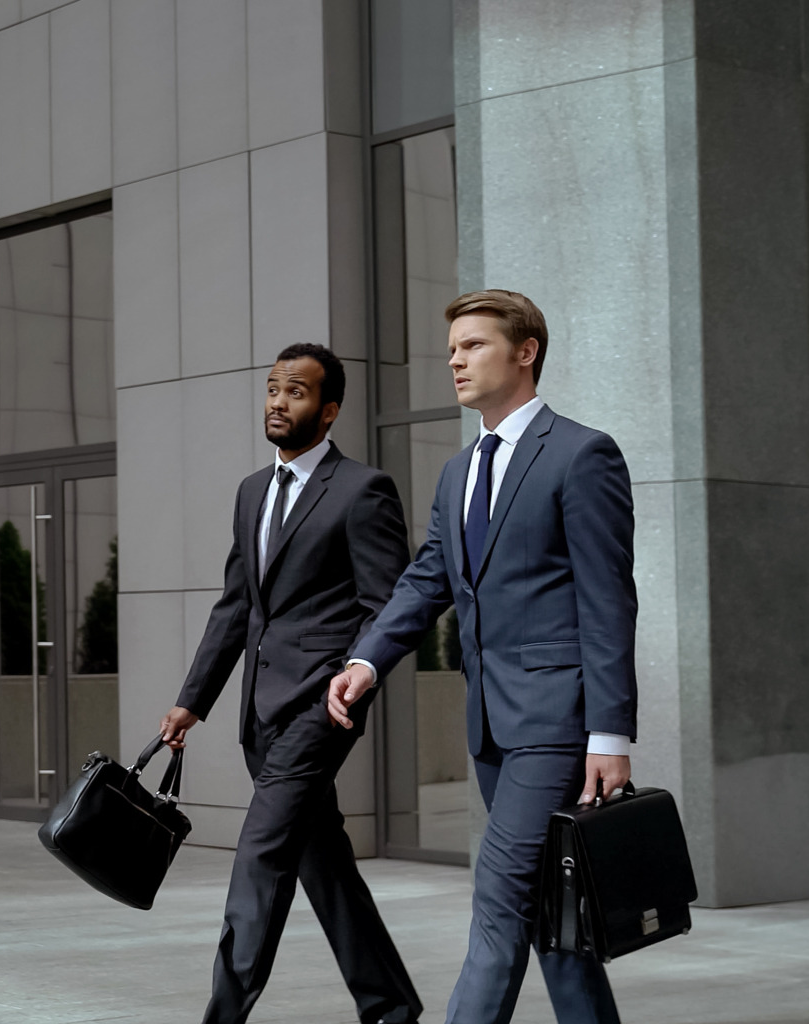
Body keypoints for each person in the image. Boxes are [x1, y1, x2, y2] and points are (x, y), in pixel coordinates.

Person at [328, 290, 638, 1024]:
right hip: (493, 729)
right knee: (549, 914)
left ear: (525, 351)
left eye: (472, 346)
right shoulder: (460, 471)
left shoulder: (581, 454)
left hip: (555, 724)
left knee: (499, 900)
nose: (455, 361)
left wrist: (610, 734)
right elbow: (426, 578)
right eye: (452, 351)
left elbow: (608, 602)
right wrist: (367, 660)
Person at [160, 344, 422, 1024]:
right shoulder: (253, 490)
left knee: (261, 856)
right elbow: (237, 605)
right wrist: (194, 700)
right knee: (324, 866)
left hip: (319, 710)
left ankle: (222, 1016)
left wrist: (354, 678)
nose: (279, 401)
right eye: (274, 388)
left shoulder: (362, 490)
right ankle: (391, 1006)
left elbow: (388, 604)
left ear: (328, 410)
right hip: (258, 714)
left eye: (297, 392)